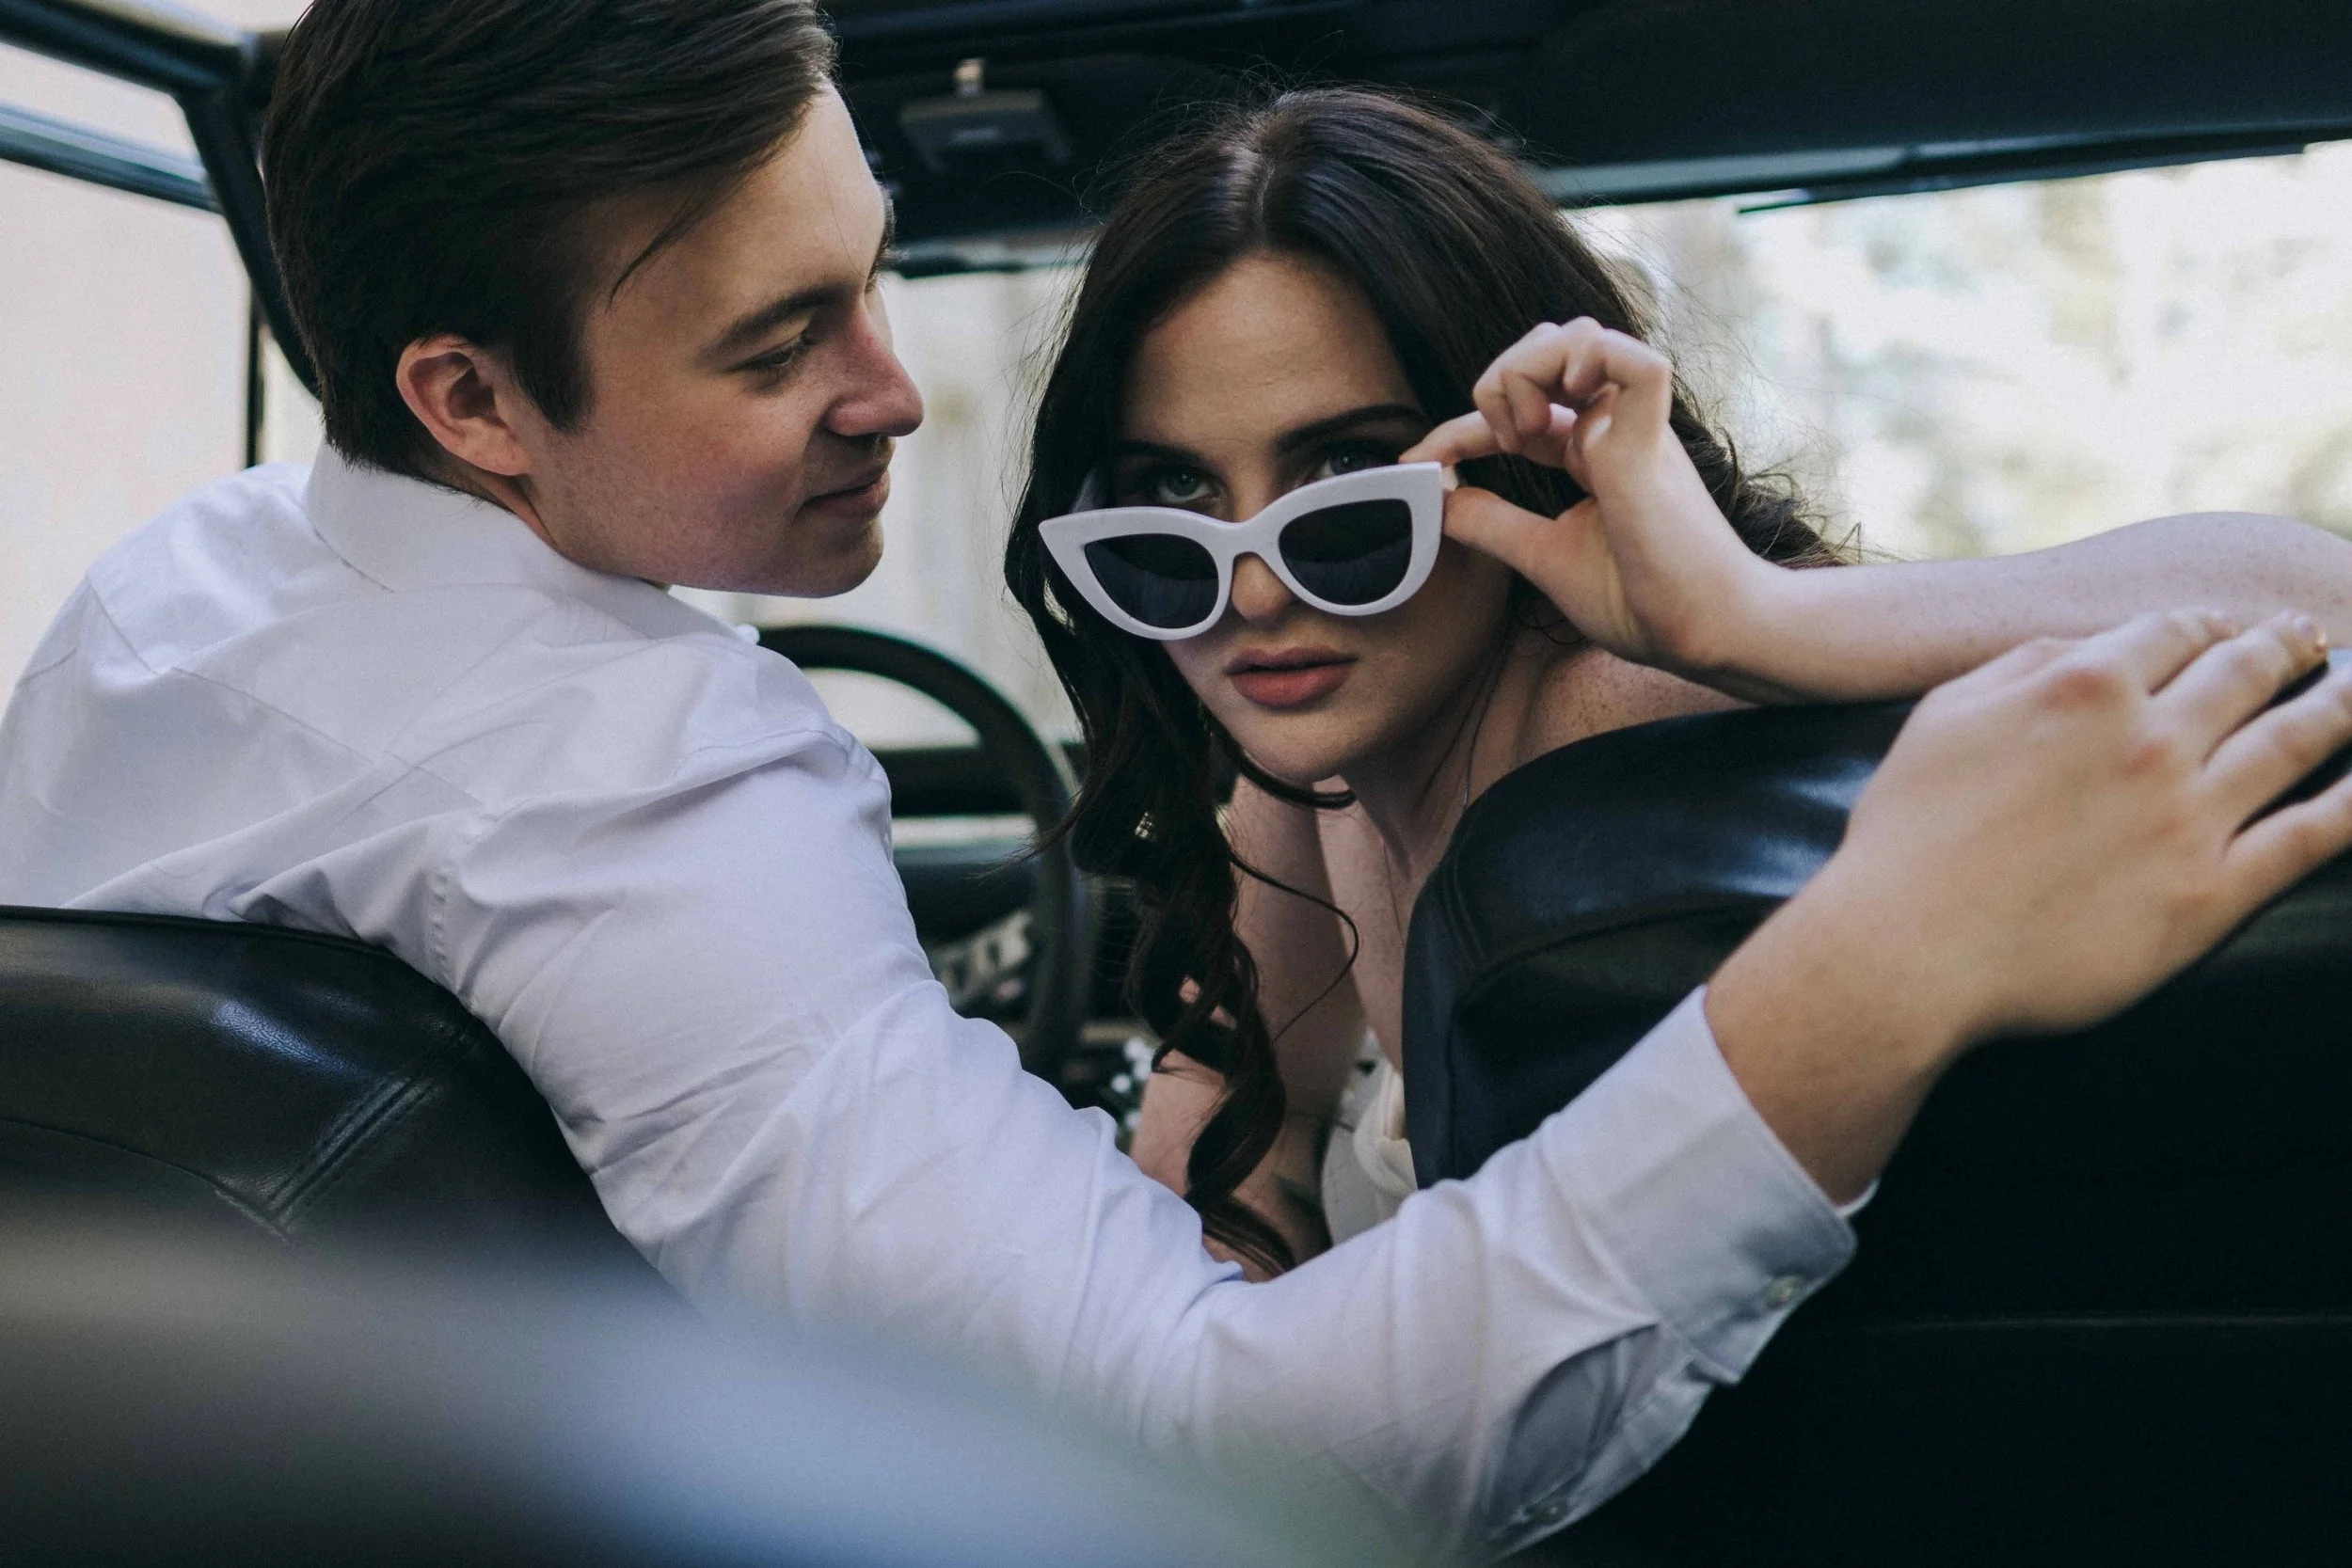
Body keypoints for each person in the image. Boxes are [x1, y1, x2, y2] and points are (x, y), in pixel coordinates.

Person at [0, 9, 2346, 1560]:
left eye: (1345, 500)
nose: (899, 391)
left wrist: (1758, 631)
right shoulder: (660, 782)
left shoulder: (188, 595)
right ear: (471, 403)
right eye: (774, 339)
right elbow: (1189, 1409)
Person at [1000, 87, 2352, 1272]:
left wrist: (1748, 619)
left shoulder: (1636, 729)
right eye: (1171, 505)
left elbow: (2315, 604)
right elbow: (1251, 1108)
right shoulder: (1315, 756)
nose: (1253, 596)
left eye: (1348, 487)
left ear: (1507, 456)